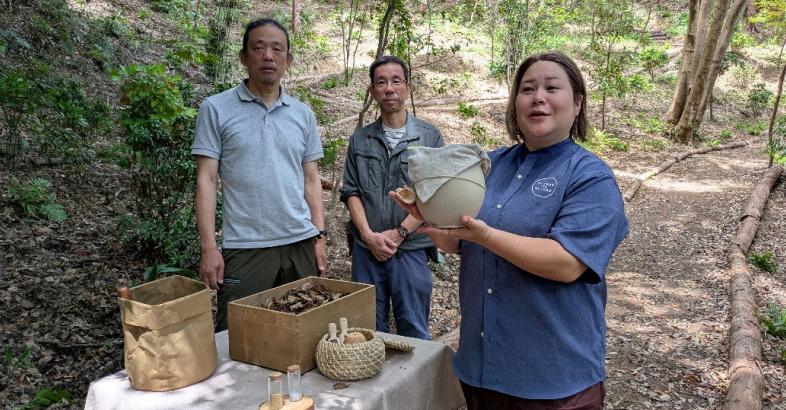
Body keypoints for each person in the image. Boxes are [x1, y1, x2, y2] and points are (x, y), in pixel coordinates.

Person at [390, 51, 629, 409]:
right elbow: (460, 240)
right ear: (515, 102)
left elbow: (567, 264)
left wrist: (485, 236)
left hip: (552, 379)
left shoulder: (590, 176)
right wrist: (434, 220)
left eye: (552, 87)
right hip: (481, 368)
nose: (538, 98)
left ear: (577, 103)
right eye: (527, 88)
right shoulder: (491, 165)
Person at [191, 18, 327, 332]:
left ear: (288, 61)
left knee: (305, 331)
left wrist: (318, 237)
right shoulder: (216, 108)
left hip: (300, 243)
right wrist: (209, 247)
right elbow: (207, 180)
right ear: (244, 57)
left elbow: (311, 179)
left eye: (277, 49)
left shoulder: (302, 113)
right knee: (238, 336)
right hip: (245, 246)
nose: (268, 56)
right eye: (259, 47)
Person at [340, 55, 444, 340]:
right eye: (381, 83)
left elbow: (432, 194)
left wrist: (398, 234)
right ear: (372, 92)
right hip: (366, 249)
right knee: (366, 331)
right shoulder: (360, 139)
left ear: (407, 87)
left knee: (413, 330)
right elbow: (351, 191)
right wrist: (368, 235)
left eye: (396, 81)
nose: (389, 89)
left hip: (410, 249)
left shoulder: (429, 138)